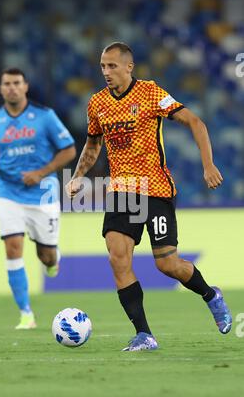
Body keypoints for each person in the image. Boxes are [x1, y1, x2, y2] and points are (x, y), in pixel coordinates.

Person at [66, 42, 232, 351]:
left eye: (112, 66)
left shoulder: (150, 93)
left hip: (154, 187)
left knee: (168, 265)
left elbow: (196, 122)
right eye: (102, 66)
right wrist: (77, 177)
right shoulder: (97, 103)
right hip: (121, 192)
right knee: (118, 257)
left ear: (129, 67)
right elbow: (92, 145)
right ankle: (145, 334)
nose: (106, 72)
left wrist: (208, 165)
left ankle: (211, 295)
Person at [0, 68, 76, 329]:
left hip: (43, 194)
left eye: (16, 83)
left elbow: (69, 150)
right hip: (8, 193)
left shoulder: (45, 117)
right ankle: (26, 313)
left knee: (47, 257)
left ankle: (53, 258)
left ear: (25, 86)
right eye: (6, 83)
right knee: (12, 247)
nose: (11, 87)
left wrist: (41, 172)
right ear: (1, 88)